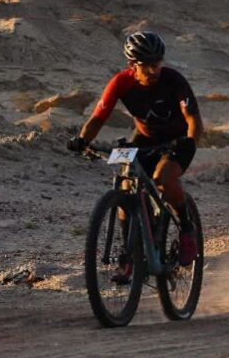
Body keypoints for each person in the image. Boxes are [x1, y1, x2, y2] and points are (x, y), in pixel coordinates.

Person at [69, 31, 202, 272]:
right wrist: (82, 140)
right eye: (147, 65)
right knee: (124, 185)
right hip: (144, 139)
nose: (153, 70)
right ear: (132, 65)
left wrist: (190, 141)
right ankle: (128, 254)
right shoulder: (121, 82)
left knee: (163, 179)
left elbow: (193, 117)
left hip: (177, 140)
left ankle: (186, 229)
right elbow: (98, 118)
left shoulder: (173, 80)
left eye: (157, 64)